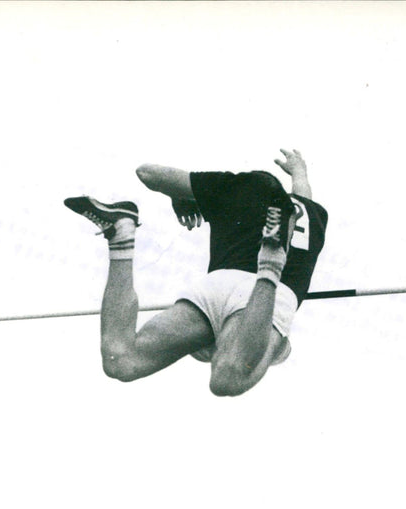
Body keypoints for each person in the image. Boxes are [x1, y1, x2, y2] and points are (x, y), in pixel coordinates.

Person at [64, 149, 328, 397]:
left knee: (121, 360)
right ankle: (270, 264)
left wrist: (182, 195)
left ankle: (121, 233)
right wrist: (299, 174)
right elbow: (303, 194)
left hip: (216, 289)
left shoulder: (237, 186)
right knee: (228, 379)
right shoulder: (310, 214)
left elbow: (148, 173)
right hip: (267, 297)